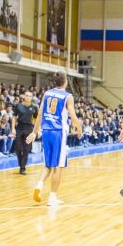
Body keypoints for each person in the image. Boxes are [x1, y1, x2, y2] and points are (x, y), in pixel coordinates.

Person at [26, 73, 83, 206]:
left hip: (46, 131)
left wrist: (34, 132)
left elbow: (40, 114)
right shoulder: (68, 96)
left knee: (48, 164)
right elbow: (72, 114)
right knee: (58, 166)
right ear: (65, 82)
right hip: (59, 132)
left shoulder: (47, 93)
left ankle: (39, 185)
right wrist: (79, 129)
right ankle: (52, 198)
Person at [12, 90, 38, 175]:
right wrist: (13, 128)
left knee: (26, 149)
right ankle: (21, 164)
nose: (28, 97)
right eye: (26, 95)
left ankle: (22, 168)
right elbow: (14, 117)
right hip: (19, 128)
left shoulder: (34, 107)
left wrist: (36, 130)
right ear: (24, 96)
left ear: (31, 97)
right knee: (18, 148)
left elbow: (37, 119)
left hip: (29, 129)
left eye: (30, 96)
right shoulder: (18, 105)